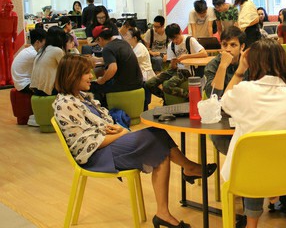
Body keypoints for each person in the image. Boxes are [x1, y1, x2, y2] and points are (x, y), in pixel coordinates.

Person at [52, 54, 216, 228]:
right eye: (86, 73)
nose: (91, 76)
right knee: (156, 136)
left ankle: (165, 210)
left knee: (158, 143)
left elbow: (102, 125)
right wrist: (122, 133)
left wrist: (117, 129)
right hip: (96, 156)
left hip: (106, 145)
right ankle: (187, 171)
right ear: (72, 75)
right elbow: (86, 143)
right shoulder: (65, 104)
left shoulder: (82, 97)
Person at [221, 39, 286, 228]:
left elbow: (225, 103)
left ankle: (251, 223)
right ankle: (274, 197)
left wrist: (240, 71)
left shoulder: (244, 90)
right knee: (263, 156)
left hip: (247, 175)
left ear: (252, 62)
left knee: (251, 157)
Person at [204, 26, 248, 155]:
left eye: (233, 45)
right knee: (231, 148)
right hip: (221, 118)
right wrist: (223, 66)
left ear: (242, 47)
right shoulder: (213, 65)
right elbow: (213, 96)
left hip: (246, 114)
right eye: (224, 45)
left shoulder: (250, 63)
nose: (228, 49)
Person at [145, 23, 207, 100]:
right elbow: (173, 67)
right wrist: (173, 63)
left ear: (180, 32)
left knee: (167, 86)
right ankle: (164, 97)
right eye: (172, 39)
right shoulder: (171, 45)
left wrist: (186, 56)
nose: (175, 41)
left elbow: (204, 53)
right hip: (176, 69)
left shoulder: (190, 40)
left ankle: (191, 96)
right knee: (149, 84)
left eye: (176, 38)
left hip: (187, 71)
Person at [91, 28, 144, 107]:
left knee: (92, 86)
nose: (97, 44)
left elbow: (113, 68)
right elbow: (119, 59)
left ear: (100, 39)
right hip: (138, 82)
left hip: (124, 86)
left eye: (97, 41)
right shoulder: (124, 43)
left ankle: (103, 111)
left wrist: (102, 80)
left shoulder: (107, 48)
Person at [30, 27, 70, 96]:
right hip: (47, 90)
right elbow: (67, 69)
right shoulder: (57, 51)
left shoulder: (42, 49)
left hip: (36, 89)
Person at [127, 27, 156, 110]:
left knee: (144, 101)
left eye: (128, 36)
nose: (126, 38)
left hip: (144, 77)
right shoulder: (134, 47)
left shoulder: (140, 48)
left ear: (134, 38)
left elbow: (131, 61)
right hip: (140, 76)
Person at [11, 28, 46, 95]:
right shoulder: (33, 54)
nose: (45, 45)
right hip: (25, 85)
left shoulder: (29, 50)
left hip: (20, 83)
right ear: (37, 42)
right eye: (44, 42)